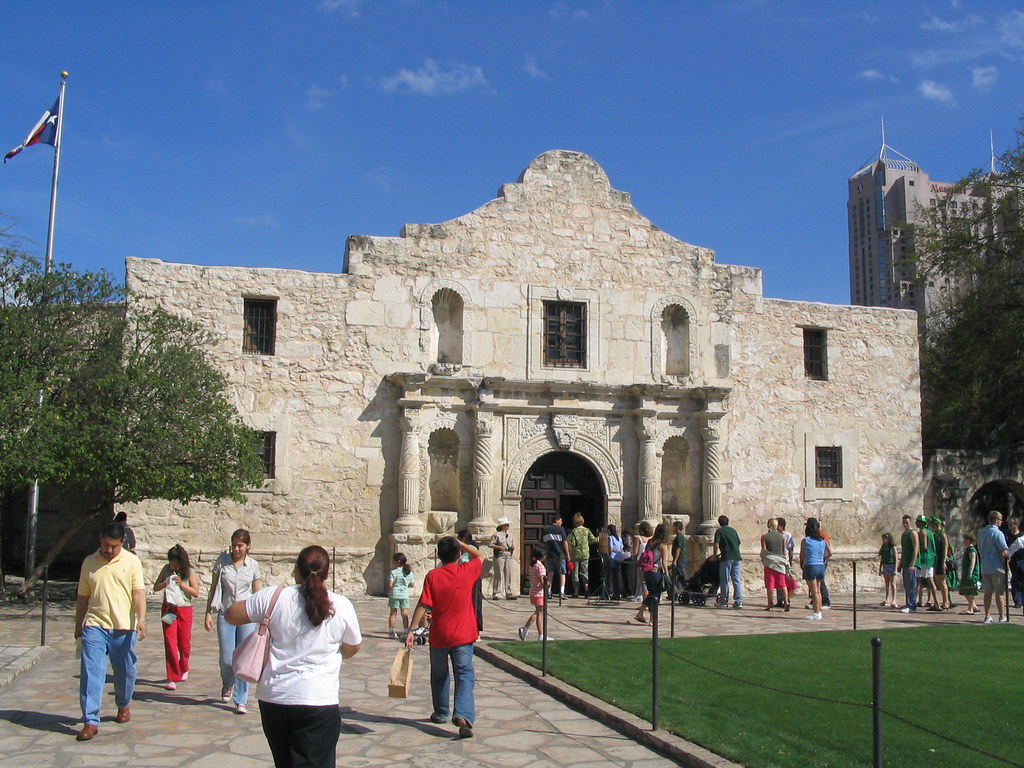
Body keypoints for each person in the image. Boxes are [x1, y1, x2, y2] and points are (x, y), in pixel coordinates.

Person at [227, 545, 361, 768]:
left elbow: (232, 614)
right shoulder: (342, 605)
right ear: (327, 574)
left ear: (296, 570)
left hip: (275, 697)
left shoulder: (274, 596)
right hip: (318, 698)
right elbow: (353, 646)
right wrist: (338, 652)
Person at [73, 522, 147, 741]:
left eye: (113, 546)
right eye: (105, 545)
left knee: (125, 672)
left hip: (124, 628)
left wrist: (141, 620)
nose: (108, 550)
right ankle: (90, 720)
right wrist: (79, 626)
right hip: (95, 626)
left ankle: (123, 704)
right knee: (92, 672)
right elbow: (83, 597)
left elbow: (139, 593)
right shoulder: (89, 563)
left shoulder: (132, 562)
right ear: (100, 539)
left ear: (122, 543)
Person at [406, 534, 484, 739]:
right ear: (458, 554)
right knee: (464, 675)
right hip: (464, 634)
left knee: (439, 675)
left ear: (439, 555)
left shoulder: (433, 576)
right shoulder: (466, 571)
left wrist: (412, 630)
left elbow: (424, 603)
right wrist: (462, 544)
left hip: (440, 635)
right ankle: (464, 715)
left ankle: (441, 712)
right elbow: (481, 556)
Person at [205, 529, 262, 713]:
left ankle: (241, 699)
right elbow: (213, 587)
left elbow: (257, 592)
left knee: (244, 658)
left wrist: (261, 617)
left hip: (246, 614)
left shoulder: (253, 565)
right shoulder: (222, 562)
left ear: (248, 546)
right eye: (234, 545)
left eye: (240, 545)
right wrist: (208, 612)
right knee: (226, 659)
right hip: (226, 612)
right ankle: (227, 682)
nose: (236, 549)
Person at [153, 544, 200, 690]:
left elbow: (196, 592)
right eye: (171, 563)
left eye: (176, 563)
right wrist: (165, 582)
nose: (173, 566)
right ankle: (172, 676)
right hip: (169, 609)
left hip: (184, 609)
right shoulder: (167, 570)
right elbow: (155, 587)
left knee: (184, 642)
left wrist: (182, 585)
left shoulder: (189, 572)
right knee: (170, 641)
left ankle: (184, 666)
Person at [977, 510, 1009, 623]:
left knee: (987, 592)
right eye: (1000, 519)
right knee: (999, 592)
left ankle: (987, 616)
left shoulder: (981, 533)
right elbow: (1003, 552)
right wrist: (1007, 565)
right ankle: (1002, 616)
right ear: (996, 520)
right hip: (996, 566)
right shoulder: (998, 533)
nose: (1001, 522)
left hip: (985, 566)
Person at [634, 523, 671, 624]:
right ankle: (652, 620)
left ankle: (641, 613)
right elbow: (664, 562)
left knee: (650, 595)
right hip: (656, 572)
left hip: (647, 571)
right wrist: (667, 574)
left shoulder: (650, 542)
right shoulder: (663, 546)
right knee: (656, 597)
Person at [800, 517, 831, 621]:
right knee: (818, 590)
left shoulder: (806, 540)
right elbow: (830, 552)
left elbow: (802, 555)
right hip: (820, 566)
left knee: (814, 591)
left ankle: (817, 612)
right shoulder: (822, 541)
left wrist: (803, 564)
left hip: (810, 565)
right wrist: (823, 559)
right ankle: (818, 610)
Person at [713, 515, 743, 608]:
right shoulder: (733, 531)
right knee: (736, 580)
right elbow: (738, 543)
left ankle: (724, 600)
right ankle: (738, 601)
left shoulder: (719, 531)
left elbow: (716, 544)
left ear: (719, 523)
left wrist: (715, 555)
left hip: (726, 558)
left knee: (725, 579)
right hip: (737, 557)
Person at [518, 546, 547, 640]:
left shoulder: (533, 565)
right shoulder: (540, 566)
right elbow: (543, 581)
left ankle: (527, 629)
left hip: (533, 591)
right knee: (539, 613)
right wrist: (548, 584)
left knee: (538, 612)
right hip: (539, 592)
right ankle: (540, 635)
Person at [760, 518, 789, 611]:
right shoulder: (782, 537)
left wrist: (763, 559)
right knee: (782, 583)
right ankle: (786, 602)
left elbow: (764, 550)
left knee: (770, 583)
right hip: (780, 561)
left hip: (770, 562)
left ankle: (770, 603)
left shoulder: (764, 537)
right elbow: (784, 551)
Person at [567, 514, 598, 598]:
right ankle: (586, 589)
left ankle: (576, 592)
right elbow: (593, 540)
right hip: (585, 554)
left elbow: (570, 542)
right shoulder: (587, 530)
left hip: (575, 554)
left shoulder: (573, 531)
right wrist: (600, 537)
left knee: (575, 573)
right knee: (584, 572)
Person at [541, 515, 570, 600]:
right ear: (557, 520)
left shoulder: (546, 529)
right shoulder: (561, 529)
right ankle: (561, 592)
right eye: (560, 521)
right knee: (562, 573)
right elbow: (565, 542)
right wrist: (567, 554)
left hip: (549, 555)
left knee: (550, 573)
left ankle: (549, 592)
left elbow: (541, 542)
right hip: (560, 555)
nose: (561, 522)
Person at [488, 517, 517, 600]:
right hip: (500, 555)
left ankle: (508, 592)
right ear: (503, 526)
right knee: (499, 574)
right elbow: (490, 544)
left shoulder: (509, 535)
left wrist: (512, 547)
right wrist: (499, 547)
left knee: (508, 573)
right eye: (506, 525)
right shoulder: (496, 535)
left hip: (508, 555)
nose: (508, 526)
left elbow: (511, 544)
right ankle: (496, 592)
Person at [387, 552, 414, 639]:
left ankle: (391, 631)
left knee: (393, 613)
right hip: (404, 595)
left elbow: (390, 585)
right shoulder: (409, 572)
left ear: (397, 562)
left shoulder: (393, 572)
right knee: (404, 613)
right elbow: (412, 584)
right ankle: (406, 631)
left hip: (394, 594)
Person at [897, 514, 920, 614]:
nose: (905, 525)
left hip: (912, 564)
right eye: (903, 523)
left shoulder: (913, 533)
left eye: (906, 523)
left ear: (910, 522)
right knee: (907, 585)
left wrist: (913, 563)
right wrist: (900, 564)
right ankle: (908, 603)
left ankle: (912, 605)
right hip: (905, 563)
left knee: (912, 585)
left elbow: (916, 548)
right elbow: (903, 550)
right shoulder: (904, 534)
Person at [916, 515, 939, 610]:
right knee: (921, 580)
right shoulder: (930, 532)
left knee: (928, 580)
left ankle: (936, 603)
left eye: (917, 521)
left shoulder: (922, 532)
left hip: (925, 558)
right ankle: (920, 601)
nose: (916, 522)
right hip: (931, 558)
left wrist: (917, 553)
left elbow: (924, 546)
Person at [931, 516, 952, 610]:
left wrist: (944, 561)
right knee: (938, 581)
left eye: (935, 525)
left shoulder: (942, 534)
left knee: (942, 581)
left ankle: (946, 602)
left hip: (941, 559)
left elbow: (945, 548)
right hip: (935, 559)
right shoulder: (934, 535)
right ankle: (942, 601)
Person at [958, 533, 981, 615]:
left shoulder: (972, 550)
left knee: (969, 591)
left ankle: (970, 608)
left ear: (968, 540)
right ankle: (974, 606)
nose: (963, 541)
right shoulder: (967, 549)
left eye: (964, 539)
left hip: (971, 574)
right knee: (964, 590)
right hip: (966, 573)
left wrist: (970, 573)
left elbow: (973, 562)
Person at [631, 521, 653, 602]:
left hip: (641, 560)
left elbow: (635, 552)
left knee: (640, 579)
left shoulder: (638, 538)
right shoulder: (652, 538)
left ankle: (640, 595)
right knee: (647, 579)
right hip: (649, 561)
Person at [606, 524, 626, 599]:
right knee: (615, 577)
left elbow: (610, 549)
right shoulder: (619, 538)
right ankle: (616, 594)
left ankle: (606, 593)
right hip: (618, 558)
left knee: (607, 576)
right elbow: (621, 550)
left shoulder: (610, 538)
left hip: (612, 558)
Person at [877, 533, 897, 608]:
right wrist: (880, 568)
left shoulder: (892, 547)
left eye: (885, 538)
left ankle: (894, 599)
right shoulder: (883, 547)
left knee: (893, 583)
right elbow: (882, 559)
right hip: (885, 565)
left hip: (891, 565)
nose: (884, 540)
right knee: (887, 583)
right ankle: (887, 599)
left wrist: (895, 568)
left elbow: (895, 558)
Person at [670, 520, 687, 595]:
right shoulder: (679, 536)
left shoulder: (679, 537)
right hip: (679, 559)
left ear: (677, 527)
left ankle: (686, 587)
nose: (672, 529)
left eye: (673, 527)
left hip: (680, 559)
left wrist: (675, 560)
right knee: (675, 577)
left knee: (680, 575)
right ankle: (674, 594)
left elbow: (678, 549)